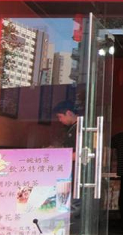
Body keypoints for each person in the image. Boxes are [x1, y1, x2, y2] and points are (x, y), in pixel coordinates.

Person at [53, 100, 81, 234]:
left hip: (78, 176)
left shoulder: (81, 129)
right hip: (69, 176)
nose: (60, 120)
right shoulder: (72, 128)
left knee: (74, 209)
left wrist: (59, 156)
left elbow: (82, 153)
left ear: (69, 113)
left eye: (60, 117)